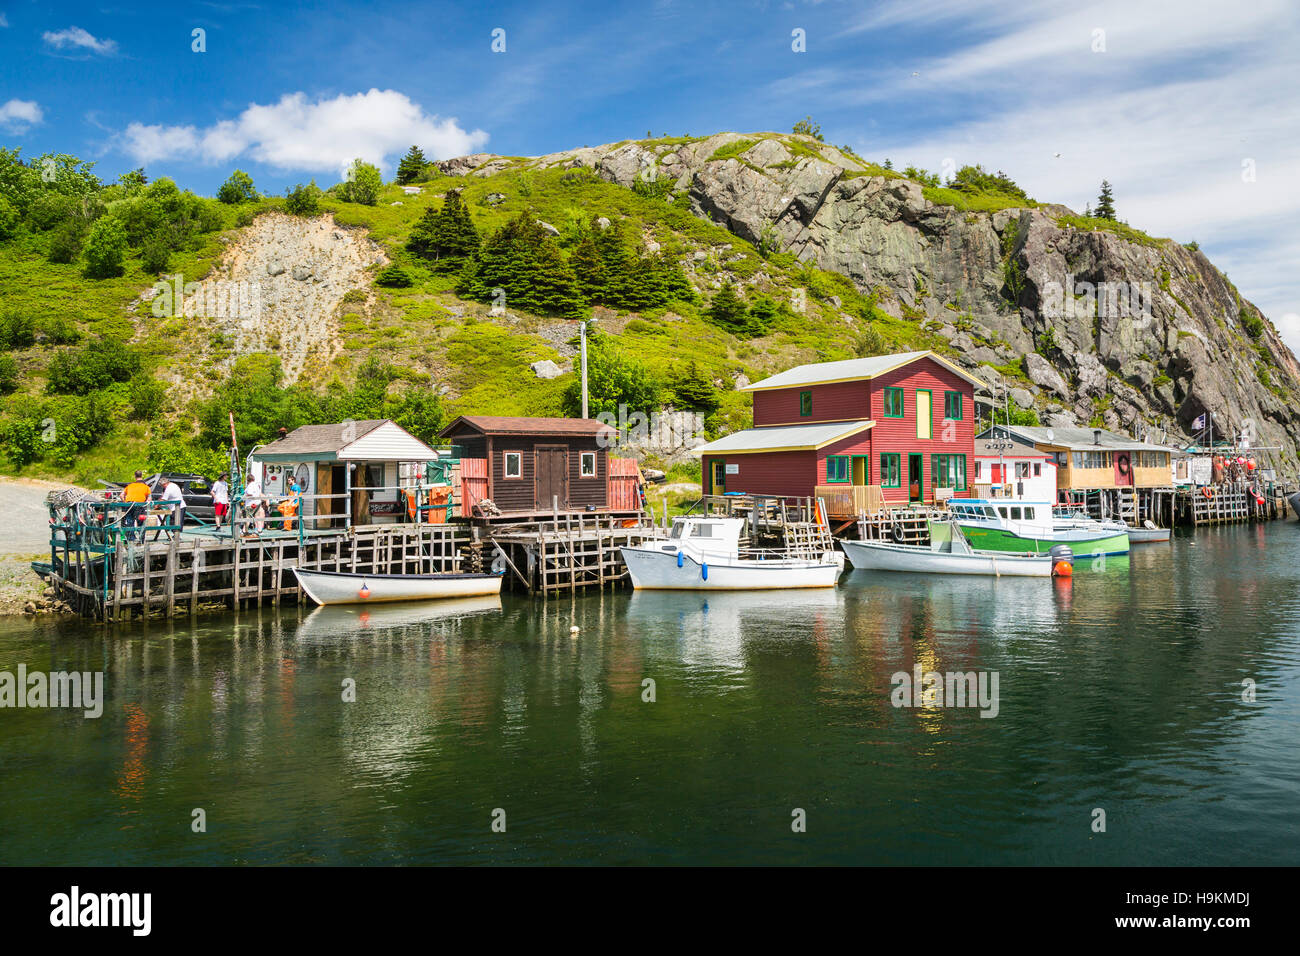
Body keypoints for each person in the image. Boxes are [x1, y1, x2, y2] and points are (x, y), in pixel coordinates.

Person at [123, 471, 151, 542]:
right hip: (140, 506)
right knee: (141, 522)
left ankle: (131, 539)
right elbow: (149, 499)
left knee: (130, 522)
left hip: (129, 505)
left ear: (135, 476)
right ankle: (141, 539)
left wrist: (125, 502)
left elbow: (121, 495)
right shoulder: (146, 487)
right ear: (142, 476)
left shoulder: (129, 486)